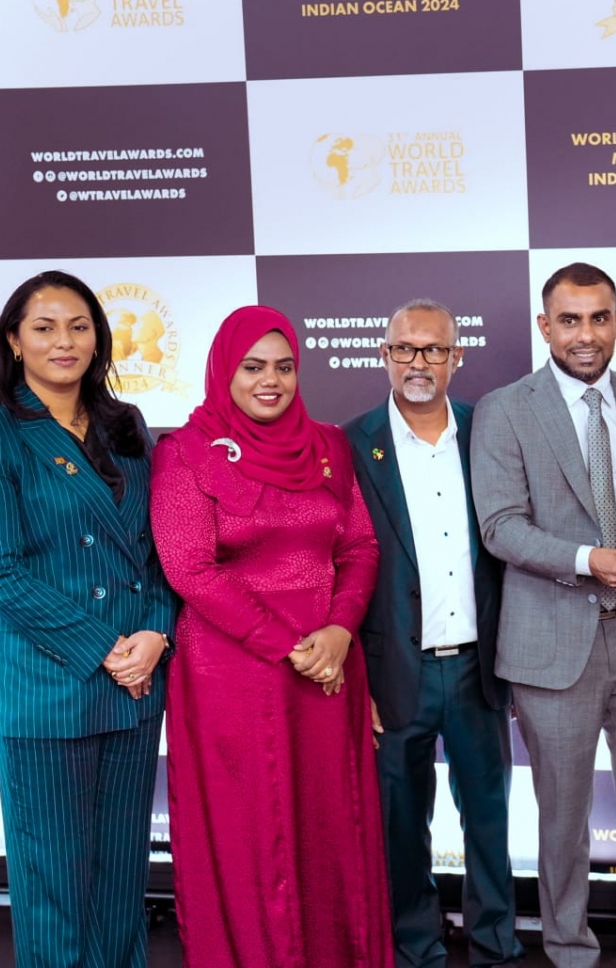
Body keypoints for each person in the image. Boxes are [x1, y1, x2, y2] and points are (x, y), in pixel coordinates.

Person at [150, 306, 391, 967]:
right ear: (224, 372)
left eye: (284, 368)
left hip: (327, 671)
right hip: (234, 676)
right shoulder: (185, 452)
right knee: (254, 834)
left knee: (329, 826)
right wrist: (289, 645)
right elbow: (189, 569)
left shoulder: (328, 445)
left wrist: (338, 631)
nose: (271, 381)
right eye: (253, 367)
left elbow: (360, 546)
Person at [0, 271, 176, 968]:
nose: (64, 341)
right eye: (44, 327)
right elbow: (1, 574)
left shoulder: (126, 425)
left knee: (120, 885)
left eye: (79, 326)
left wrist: (157, 632)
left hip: (135, 683)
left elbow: (158, 550)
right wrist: (110, 648)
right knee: (54, 889)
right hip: (46, 685)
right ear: (14, 342)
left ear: (98, 338)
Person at [471, 263, 616, 968]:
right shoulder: (505, 409)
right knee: (563, 822)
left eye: (599, 318)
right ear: (545, 326)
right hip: (550, 643)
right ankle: (569, 952)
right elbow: (501, 527)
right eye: (569, 320)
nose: (585, 334)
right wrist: (590, 559)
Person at [344, 299, 522, 968]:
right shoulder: (349, 445)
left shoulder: (489, 432)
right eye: (405, 348)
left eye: (434, 349)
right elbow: (338, 563)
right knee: (399, 827)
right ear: (384, 355)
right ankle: (416, 949)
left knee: (490, 821)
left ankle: (495, 947)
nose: (418, 362)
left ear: (456, 356)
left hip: (479, 667)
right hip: (393, 669)